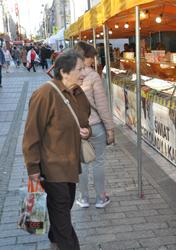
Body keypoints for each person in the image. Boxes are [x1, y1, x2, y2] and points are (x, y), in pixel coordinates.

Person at [22, 50, 91, 250]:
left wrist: (87, 131)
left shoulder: (77, 92)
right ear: (63, 72)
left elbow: (84, 121)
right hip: (51, 168)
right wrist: (33, 169)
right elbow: (31, 135)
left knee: (64, 206)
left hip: (71, 165)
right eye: (80, 69)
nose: (84, 73)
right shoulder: (44, 94)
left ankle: (54, 236)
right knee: (62, 215)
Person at [74, 41, 114, 209]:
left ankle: (83, 198)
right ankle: (100, 198)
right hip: (95, 125)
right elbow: (102, 105)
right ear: (85, 57)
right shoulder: (92, 76)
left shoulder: (68, 75)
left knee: (81, 163)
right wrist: (110, 128)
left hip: (76, 127)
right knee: (98, 161)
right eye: (91, 57)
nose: (92, 61)